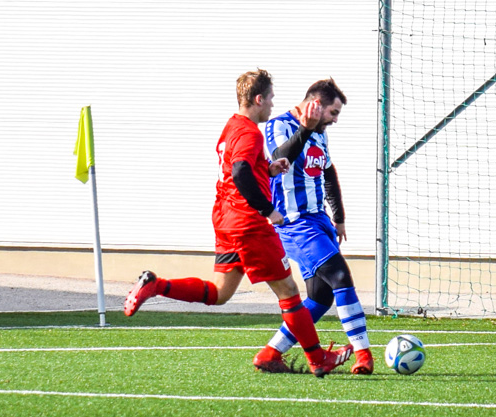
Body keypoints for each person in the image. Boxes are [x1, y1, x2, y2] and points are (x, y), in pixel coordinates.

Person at [123, 70, 352, 377]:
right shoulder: (250, 133)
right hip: (249, 223)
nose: (273, 104)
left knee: (220, 293)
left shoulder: (232, 126)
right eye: (270, 98)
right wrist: (268, 209)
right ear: (258, 99)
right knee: (288, 291)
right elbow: (240, 171)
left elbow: (242, 166)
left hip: (225, 219)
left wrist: (268, 168)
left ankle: (156, 285)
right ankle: (317, 358)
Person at [254, 78, 374, 375]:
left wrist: (339, 217)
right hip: (294, 223)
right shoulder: (279, 125)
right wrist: (306, 128)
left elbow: (328, 173)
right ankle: (363, 354)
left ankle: (270, 353)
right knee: (340, 276)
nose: (335, 120)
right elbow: (278, 158)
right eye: (333, 113)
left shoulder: (319, 133)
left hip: (318, 220)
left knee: (320, 297)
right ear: (316, 106)